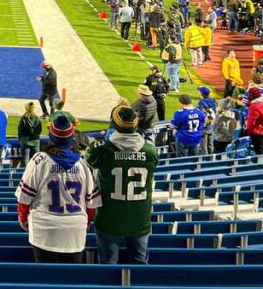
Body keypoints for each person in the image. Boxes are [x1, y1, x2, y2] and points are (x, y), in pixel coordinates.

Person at [16, 114, 100, 263]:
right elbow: (92, 206)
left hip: (44, 229)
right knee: (71, 281)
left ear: (51, 137)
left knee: (46, 279)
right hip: (75, 230)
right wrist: (85, 223)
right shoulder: (83, 165)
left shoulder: (39, 161)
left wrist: (23, 218)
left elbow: (24, 198)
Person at [85, 106, 158, 265]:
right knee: (139, 264)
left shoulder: (102, 150)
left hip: (109, 217)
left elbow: (89, 159)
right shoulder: (151, 151)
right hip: (139, 217)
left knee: (108, 263)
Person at [246, 86, 263, 155]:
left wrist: (248, 130)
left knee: (259, 152)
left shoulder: (254, 106)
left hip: (257, 132)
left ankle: (262, 165)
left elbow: (250, 123)